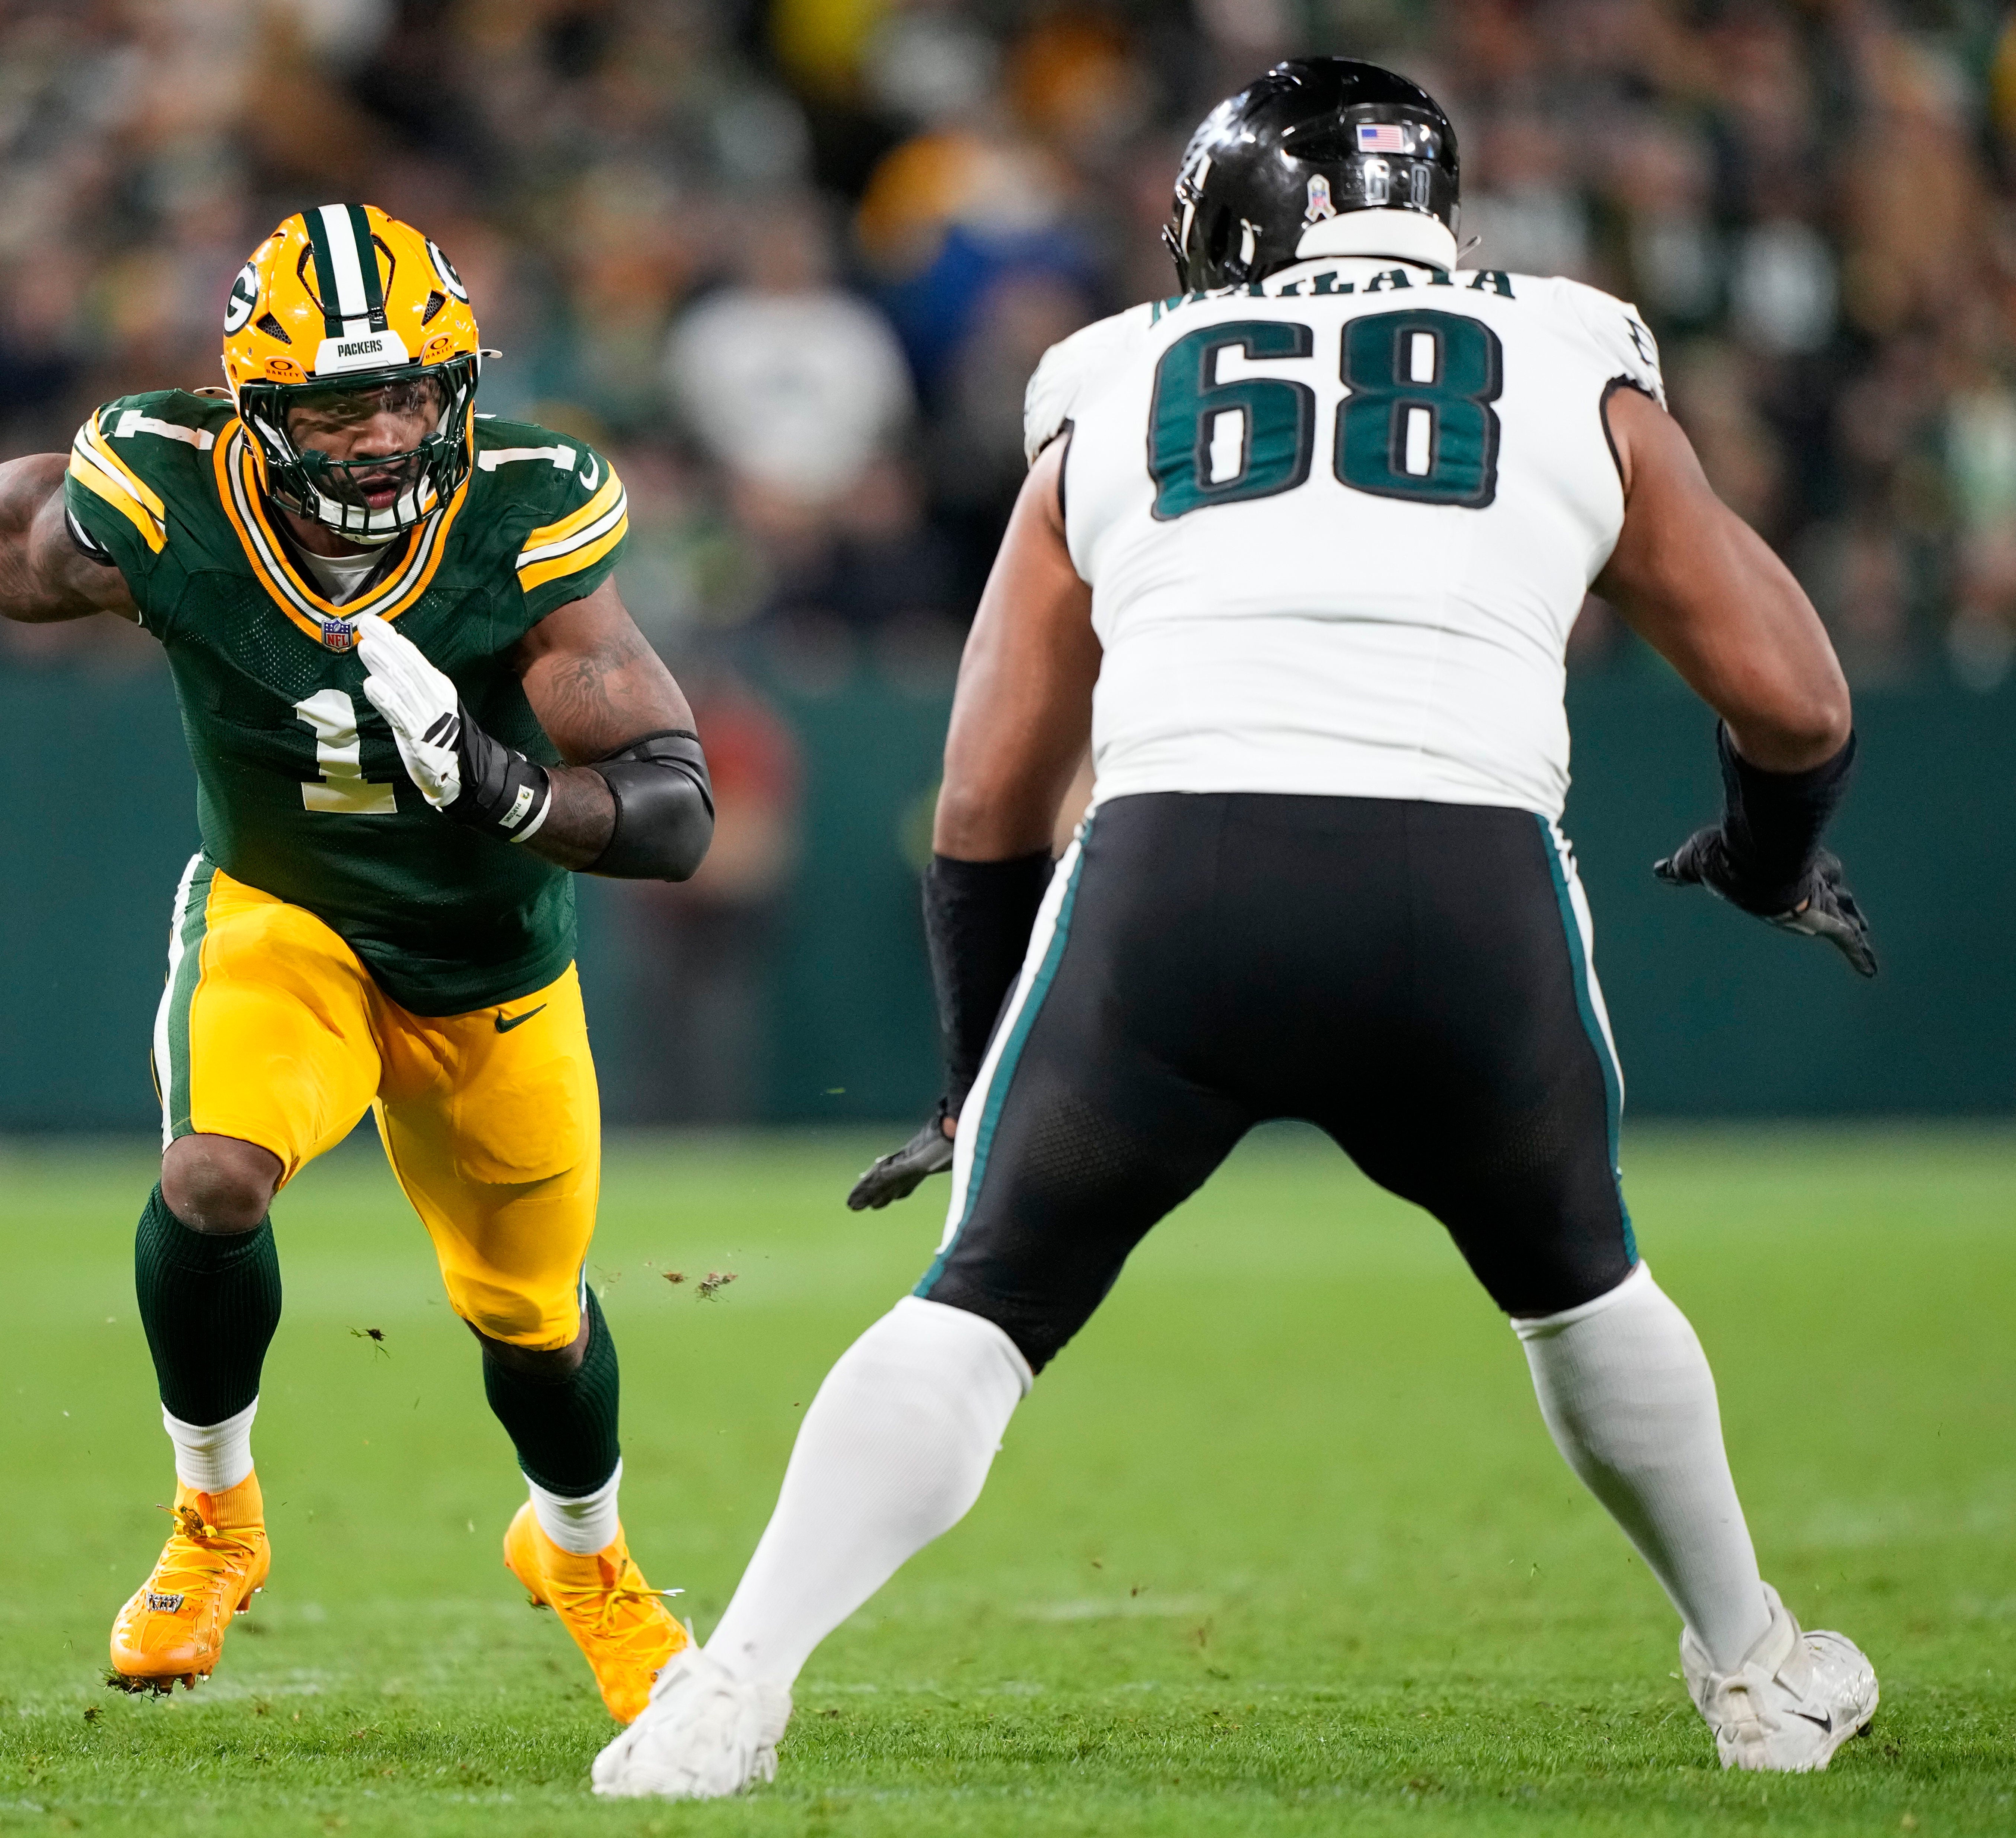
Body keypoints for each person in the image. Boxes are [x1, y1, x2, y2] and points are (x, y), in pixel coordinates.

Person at [594, 60, 1881, 1797]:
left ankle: (726, 1690)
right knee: (1584, 1287)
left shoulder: (1113, 373)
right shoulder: (1577, 349)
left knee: (978, 1306)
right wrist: (1760, 850)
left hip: (1176, 875)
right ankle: (1755, 1666)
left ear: (1227, 223)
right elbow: (1798, 699)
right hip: (1466, 881)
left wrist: (978, 1073)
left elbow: (984, 799)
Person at [0, 204, 710, 1722]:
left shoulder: (521, 513)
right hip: (289, 917)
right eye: (342, 406)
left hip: (490, 959)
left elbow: (674, 809)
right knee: (212, 1176)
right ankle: (214, 1521)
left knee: (533, 1322)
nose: (384, 437)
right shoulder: (166, 493)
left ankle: (584, 1556)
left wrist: (501, 786)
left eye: (413, 394)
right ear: (257, 413)